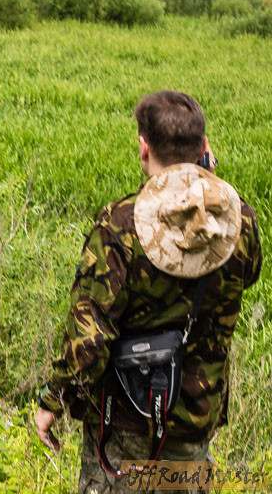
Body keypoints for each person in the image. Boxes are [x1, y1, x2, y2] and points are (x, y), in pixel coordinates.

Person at [34, 90, 262, 493]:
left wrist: (53, 401)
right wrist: (208, 182)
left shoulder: (119, 226)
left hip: (126, 425)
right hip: (195, 421)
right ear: (205, 148)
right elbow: (251, 273)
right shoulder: (238, 220)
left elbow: (89, 340)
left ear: (144, 148)